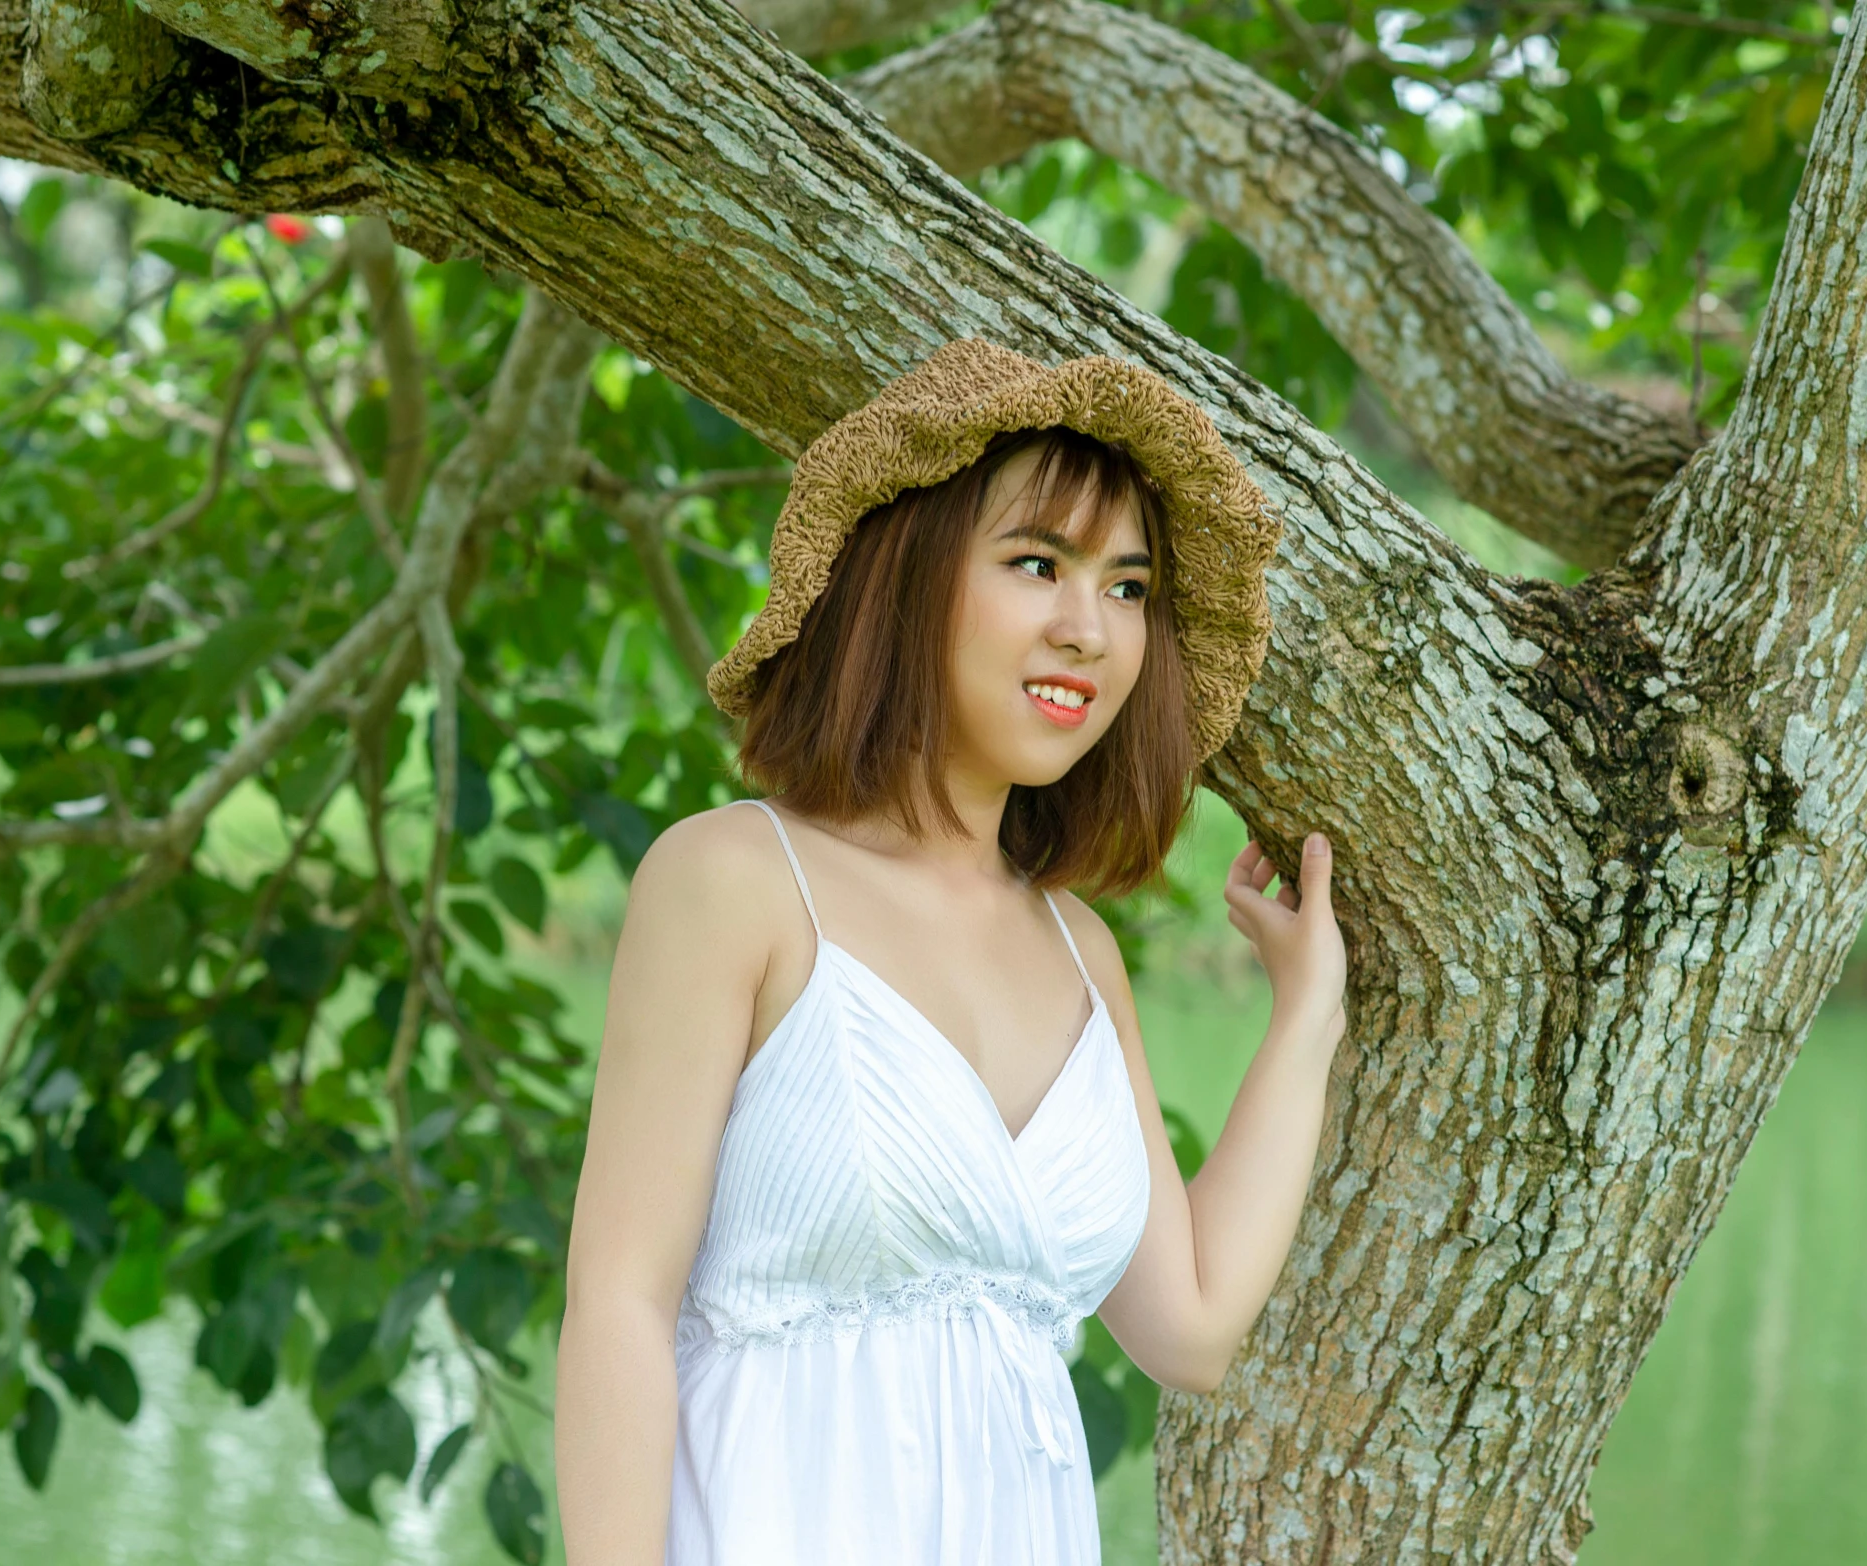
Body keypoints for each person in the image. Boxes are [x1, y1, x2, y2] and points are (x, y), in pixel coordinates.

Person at [554, 337, 1349, 1565]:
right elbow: (617, 1304)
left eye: (1128, 589)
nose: (1089, 629)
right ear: (908, 576)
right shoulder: (733, 880)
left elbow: (1187, 1329)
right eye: (1039, 564)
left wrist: (1304, 1018)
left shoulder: (1081, 950)